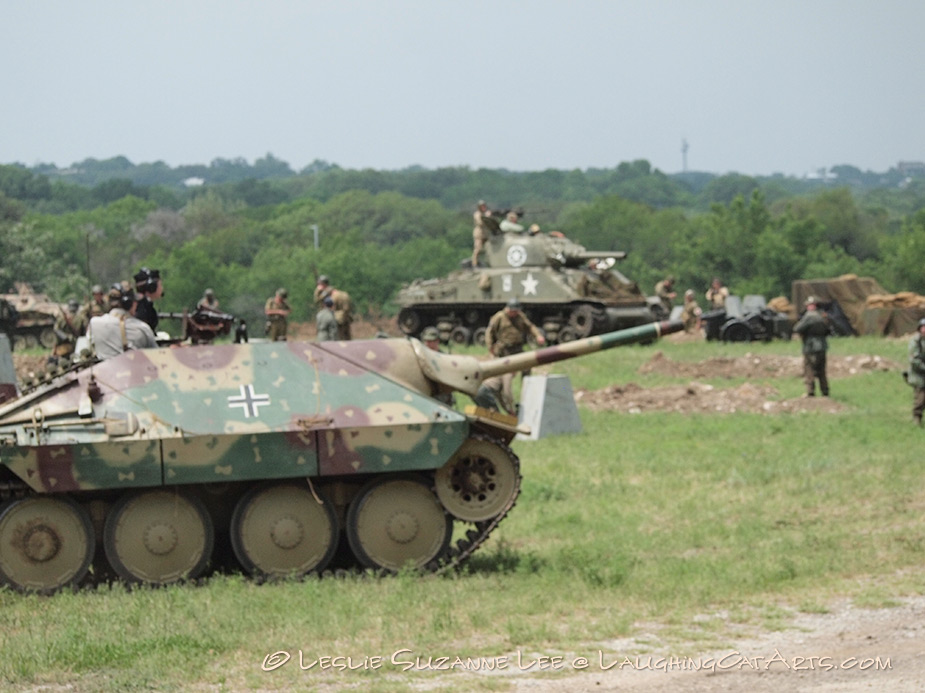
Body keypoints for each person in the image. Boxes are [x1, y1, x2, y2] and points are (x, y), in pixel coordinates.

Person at [485, 297, 546, 414]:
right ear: (508, 309)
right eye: (514, 311)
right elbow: (489, 332)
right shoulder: (499, 317)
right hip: (504, 353)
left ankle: (526, 390)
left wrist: (538, 335)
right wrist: (491, 348)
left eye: (517, 311)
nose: (516, 313)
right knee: (506, 385)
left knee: (527, 366)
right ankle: (510, 409)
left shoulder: (520, 316)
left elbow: (530, 326)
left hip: (517, 350)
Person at [87, 286, 157, 359]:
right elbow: (157, 356)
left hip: (102, 369)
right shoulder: (142, 328)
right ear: (130, 304)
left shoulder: (94, 323)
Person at [793, 296, 830, 397]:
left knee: (809, 369)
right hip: (822, 346)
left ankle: (810, 391)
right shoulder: (823, 316)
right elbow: (829, 330)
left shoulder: (809, 316)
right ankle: (825, 391)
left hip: (810, 346)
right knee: (821, 370)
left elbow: (798, 328)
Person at [314, 276, 354, 340]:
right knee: (347, 339)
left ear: (323, 284)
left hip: (337, 319)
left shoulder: (327, 293)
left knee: (338, 339)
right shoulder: (343, 294)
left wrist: (317, 290)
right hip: (345, 319)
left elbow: (317, 300)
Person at [49, 299, 82, 365]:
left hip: (65, 346)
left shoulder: (63, 318)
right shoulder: (81, 318)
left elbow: (56, 329)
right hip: (75, 345)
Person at [907, 318, 925, 426]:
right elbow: (914, 360)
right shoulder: (916, 341)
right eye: (923, 328)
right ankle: (917, 419)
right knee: (920, 398)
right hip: (919, 374)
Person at [133, 267, 163, 332]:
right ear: (152, 287)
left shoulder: (144, 305)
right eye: (160, 285)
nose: (161, 288)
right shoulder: (143, 309)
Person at [472, 200, 492, 267]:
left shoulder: (486, 213)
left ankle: (488, 263)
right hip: (479, 234)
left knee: (489, 249)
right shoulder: (477, 214)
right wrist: (487, 216)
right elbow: (480, 223)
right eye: (482, 206)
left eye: (484, 206)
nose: (483, 207)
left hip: (486, 234)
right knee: (478, 249)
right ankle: (474, 264)